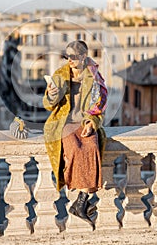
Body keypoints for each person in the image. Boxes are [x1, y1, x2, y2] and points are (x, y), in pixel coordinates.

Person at [43, 40, 107, 226]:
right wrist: (52, 94)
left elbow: (99, 106)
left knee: (93, 146)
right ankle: (83, 201)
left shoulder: (94, 77)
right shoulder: (61, 75)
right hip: (64, 123)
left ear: (83, 56)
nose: (69, 59)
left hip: (84, 122)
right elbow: (48, 104)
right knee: (75, 150)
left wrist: (92, 122)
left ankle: (80, 202)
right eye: (67, 56)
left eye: (73, 56)